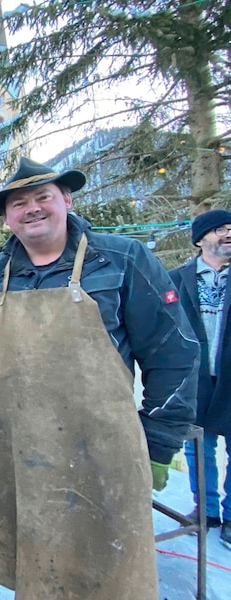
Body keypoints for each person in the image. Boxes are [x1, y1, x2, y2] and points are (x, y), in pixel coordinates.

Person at [0, 157, 199, 599]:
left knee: (110, 571)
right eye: (19, 203)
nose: (31, 209)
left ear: (66, 199)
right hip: (20, 451)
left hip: (101, 451)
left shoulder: (122, 259)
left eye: (42, 197)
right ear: (7, 217)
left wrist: (161, 441)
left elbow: (174, 353)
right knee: (38, 567)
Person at [169, 209, 231, 546]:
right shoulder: (177, 279)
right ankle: (206, 510)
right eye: (220, 229)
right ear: (200, 238)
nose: (228, 234)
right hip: (193, 376)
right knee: (198, 446)